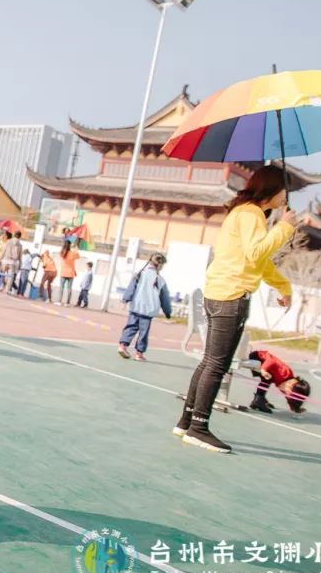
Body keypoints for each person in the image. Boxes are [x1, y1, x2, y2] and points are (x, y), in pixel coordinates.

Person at [174, 166, 296, 453]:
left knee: (208, 362)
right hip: (232, 295)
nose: (285, 196)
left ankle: (186, 421)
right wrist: (286, 227)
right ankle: (198, 427)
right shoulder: (252, 214)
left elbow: (258, 261)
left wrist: (283, 286)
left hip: (217, 292)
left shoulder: (242, 213)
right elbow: (257, 253)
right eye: (284, 190)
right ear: (272, 189)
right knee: (217, 365)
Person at [117, 252, 172, 361]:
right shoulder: (160, 280)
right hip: (148, 310)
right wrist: (167, 312)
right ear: (160, 265)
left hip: (136, 307)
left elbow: (131, 288)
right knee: (144, 332)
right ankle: (139, 353)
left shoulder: (140, 274)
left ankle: (123, 346)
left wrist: (125, 300)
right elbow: (164, 298)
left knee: (131, 326)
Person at [245, 349, 310, 414]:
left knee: (269, 378)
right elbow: (271, 361)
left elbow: (289, 398)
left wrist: (296, 408)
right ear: (291, 385)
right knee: (268, 378)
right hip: (257, 356)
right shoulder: (285, 372)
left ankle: (259, 399)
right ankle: (259, 399)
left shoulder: (287, 386)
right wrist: (263, 370)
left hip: (262, 363)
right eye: (287, 393)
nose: (285, 393)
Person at [58, 239, 80, 306]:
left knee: (61, 287)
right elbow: (78, 256)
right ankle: (67, 303)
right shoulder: (73, 253)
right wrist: (75, 248)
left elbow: (62, 252)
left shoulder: (62, 252)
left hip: (63, 272)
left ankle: (59, 301)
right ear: (70, 246)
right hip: (70, 273)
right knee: (69, 288)